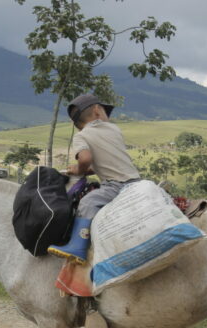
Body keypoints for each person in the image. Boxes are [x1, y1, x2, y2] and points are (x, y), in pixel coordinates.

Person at [47, 93, 141, 269]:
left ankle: (77, 246)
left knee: (87, 202)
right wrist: (88, 169)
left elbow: (85, 159)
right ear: (98, 111)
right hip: (135, 182)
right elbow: (106, 162)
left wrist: (79, 170)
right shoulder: (114, 129)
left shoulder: (81, 136)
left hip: (116, 186)